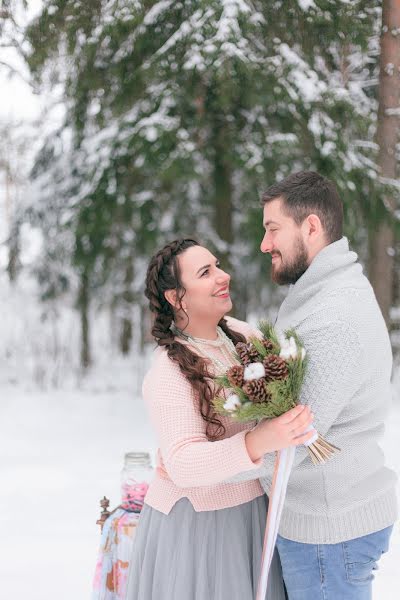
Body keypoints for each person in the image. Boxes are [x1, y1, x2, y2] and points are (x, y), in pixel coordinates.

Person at [230, 171, 398, 600]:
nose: (264, 244)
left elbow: (292, 442)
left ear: (311, 227)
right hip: (323, 524)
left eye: (272, 229)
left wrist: (209, 463)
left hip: (330, 530)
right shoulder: (320, 294)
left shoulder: (336, 316)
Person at [126, 238, 316, 600]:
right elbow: (183, 462)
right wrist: (262, 440)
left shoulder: (244, 336)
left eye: (218, 265)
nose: (222, 276)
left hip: (252, 513)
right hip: (198, 528)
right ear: (176, 297)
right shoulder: (168, 372)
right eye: (205, 272)